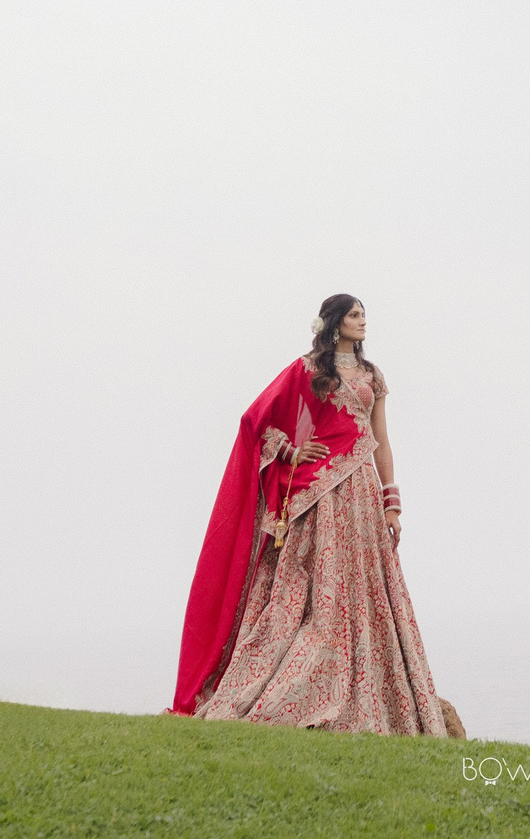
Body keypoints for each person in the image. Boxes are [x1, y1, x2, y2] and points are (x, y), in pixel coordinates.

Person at [171, 294, 458, 735]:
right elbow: (258, 420)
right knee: (312, 588)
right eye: (355, 315)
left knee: (365, 586)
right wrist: (293, 450)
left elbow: (380, 438)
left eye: (364, 315)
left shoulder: (372, 376)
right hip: (320, 495)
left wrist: (392, 502)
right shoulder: (307, 370)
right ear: (334, 323)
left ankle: (374, 689)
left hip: (361, 489)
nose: (364, 322)